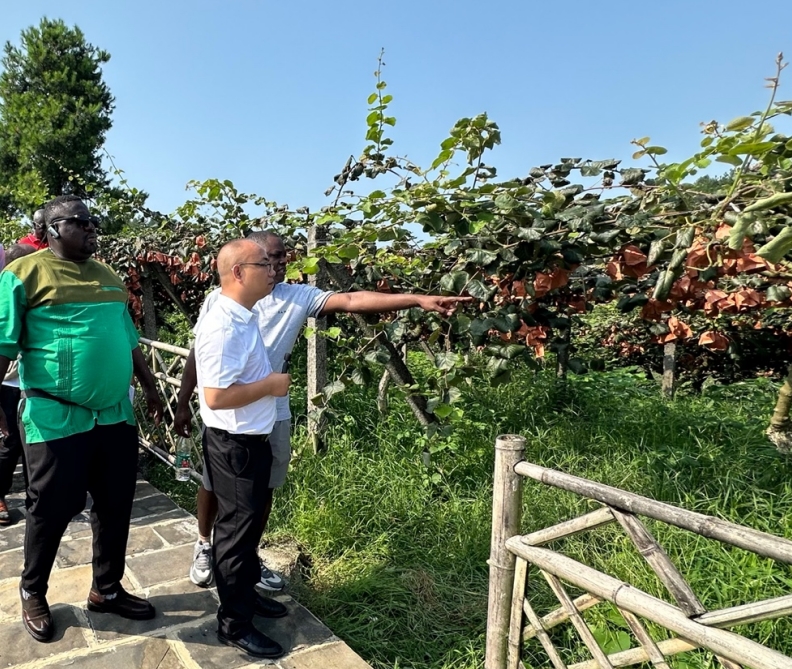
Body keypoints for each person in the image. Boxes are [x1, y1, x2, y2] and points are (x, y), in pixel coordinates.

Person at [175, 231, 470, 590]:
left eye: (282, 258)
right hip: (229, 416)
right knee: (214, 484)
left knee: (261, 488)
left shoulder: (295, 296)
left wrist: (416, 300)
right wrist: (183, 401)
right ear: (245, 265)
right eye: (270, 259)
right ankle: (206, 545)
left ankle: (246, 556)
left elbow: (350, 300)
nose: (279, 265)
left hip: (270, 413)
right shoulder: (221, 304)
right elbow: (199, 357)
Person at [0, 195, 165, 642]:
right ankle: (33, 590)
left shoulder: (109, 278)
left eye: (93, 222)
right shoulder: (23, 274)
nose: (92, 229)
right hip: (56, 418)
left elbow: (128, 340)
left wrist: (151, 389)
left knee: (115, 507)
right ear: (52, 228)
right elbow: (2, 345)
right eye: (81, 222)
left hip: (114, 416)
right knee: (50, 510)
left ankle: (106, 590)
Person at [194, 238, 291, 659]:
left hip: (251, 439)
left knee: (247, 529)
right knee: (234, 535)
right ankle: (233, 624)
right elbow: (215, 396)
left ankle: (246, 598)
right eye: (263, 264)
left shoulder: (241, 312)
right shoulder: (223, 325)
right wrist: (270, 386)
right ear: (238, 272)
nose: (273, 271)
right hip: (234, 445)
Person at [0, 243, 38, 527]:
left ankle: (35, 497)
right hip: (6, 384)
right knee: (9, 443)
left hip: (30, 383)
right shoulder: (6, 295)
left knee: (33, 444)